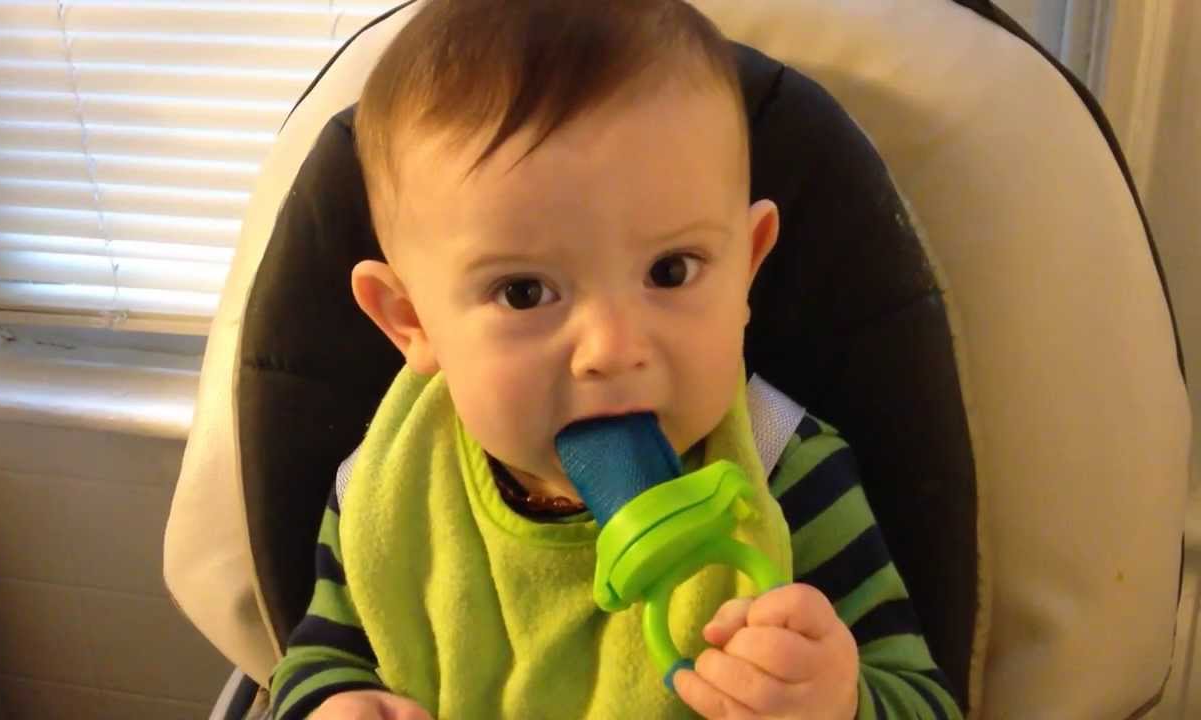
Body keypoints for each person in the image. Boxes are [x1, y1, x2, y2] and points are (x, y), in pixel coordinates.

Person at [270, 1, 961, 718]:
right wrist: (333, 703)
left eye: (670, 271)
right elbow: (317, 657)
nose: (611, 350)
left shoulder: (787, 473)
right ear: (411, 320)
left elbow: (928, 702)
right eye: (524, 291)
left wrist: (837, 702)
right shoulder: (391, 488)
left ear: (746, 270)